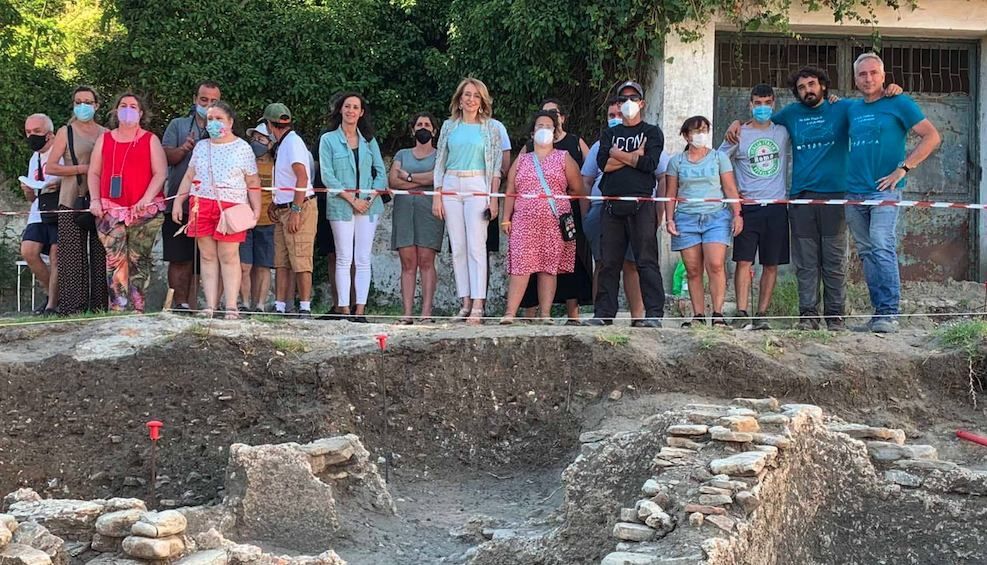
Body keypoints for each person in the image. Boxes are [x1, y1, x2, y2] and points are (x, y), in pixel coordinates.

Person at [725, 68, 902, 331]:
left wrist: (892, 93)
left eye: (812, 84)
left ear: (822, 85)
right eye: (801, 87)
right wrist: (736, 123)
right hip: (800, 199)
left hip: (834, 197)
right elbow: (762, 120)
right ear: (796, 93)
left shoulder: (841, 108)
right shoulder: (790, 115)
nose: (808, 89)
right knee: (806, 262)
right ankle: (807, 316)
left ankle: (835, 317)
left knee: (833, 261)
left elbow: (870, 103)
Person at [845, 52, 940, 334]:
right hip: (853, 192)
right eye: (862, 74)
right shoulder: (851, 108)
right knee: (866, 251)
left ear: (884, 76)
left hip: (885, 191)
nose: (868, 78)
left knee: (881, 243)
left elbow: (932, 136)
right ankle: (878, 315)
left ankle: (889, 313)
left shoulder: (898, 102)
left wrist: (904, 169)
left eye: (874, 73)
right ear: (855, 79)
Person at [172, 101, 261, 319]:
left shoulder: (242, 148)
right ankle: (210, 305)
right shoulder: (202, 147)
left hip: (231, 206)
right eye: (210, 119)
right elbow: (189, 176)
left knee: (229, 256)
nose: (214, 123)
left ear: (230, 122)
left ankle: (231, 305)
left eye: (219, 118)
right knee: (208, 256)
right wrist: (177, 202)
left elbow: (253, 182)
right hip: (201, 203)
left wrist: (256, 210)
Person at [587, 81, 665, 328]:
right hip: (611, 205)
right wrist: (632, 156)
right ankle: (604, 313)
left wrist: (617, 155)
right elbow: (603, 165)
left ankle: (653, 314)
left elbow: (649, 164)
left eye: (633, 98)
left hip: (642, 204)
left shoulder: (652, 132)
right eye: (623, 99)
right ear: (618, 105)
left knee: (646, 261)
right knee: (608, 262)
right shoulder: (609, 133)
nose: (628, 103)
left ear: (642, 102)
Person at [500, 111, 584, 324]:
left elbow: (577, 189)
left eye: (549, 126)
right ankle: (510, 313)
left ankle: (545, 314)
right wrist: (506, 218)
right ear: (532, 132)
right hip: (523, 222)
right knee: (521, 266)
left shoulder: (564, 158)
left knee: (549, 268)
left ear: (555, 132)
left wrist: (557, 201)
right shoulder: (522, 159)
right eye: (540, 126)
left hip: (553, 223)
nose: (544, 129)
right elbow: (511, 189)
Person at [718, 84, 790, 330]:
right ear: (750, 104)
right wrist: (732, 191)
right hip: (748, 207)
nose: (762, 108)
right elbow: (719, 161)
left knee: (771, 264)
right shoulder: (739, 134)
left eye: (767, 103)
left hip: (777, 206)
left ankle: (761, 314)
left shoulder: (782, 132)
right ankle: (741, 312)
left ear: (773, 105)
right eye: (757, 103)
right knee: (744, 261)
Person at [87, 92, 167, 312]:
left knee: (138, 258)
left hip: (145, 211)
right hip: (111, 210)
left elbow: (160, 173)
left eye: (133, 106)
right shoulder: (105, 139)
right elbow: (94, 172)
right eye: (123, 105)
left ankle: (138, 307)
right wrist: (95, 199)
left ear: (141, 113)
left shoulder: (150, 139)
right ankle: (117, 306)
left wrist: (146, 199)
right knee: (114, 259)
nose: (128, 109)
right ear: (115, 110)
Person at [432, 78, 503, 325]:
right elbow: (440, 161)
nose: (471, 99)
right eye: (467, 95)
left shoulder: (491, 128)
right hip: (451, 184)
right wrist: (437, 195)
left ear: (482, 101)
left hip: (477, 185)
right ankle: (464, 302)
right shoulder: (448, 126)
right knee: (458, 247)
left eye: (476, 95)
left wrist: (493, 199)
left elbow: (495, 167)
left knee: (476, 245)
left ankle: (478, 304)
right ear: (459, 99)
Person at [518, 99, 593, 324]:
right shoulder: (529, 148)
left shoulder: (575, 142)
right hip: (532, 217)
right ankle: (530, 313)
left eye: (554, 113)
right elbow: (516, 179)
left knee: (572, 264)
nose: (549, 117)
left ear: (562, 118)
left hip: (566, 216)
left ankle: (573, 314)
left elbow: (586, 177)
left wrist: (585, 215)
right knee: (531, 263)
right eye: (545, 114)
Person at [665, 116, 743, 327]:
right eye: (696, 130)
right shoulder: (676, 162)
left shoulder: (719, 158)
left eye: (704, 130)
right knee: (692, 269)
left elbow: (729, 188)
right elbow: (671, 193)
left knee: (716, 265)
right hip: (686, 219)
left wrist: (737, 214)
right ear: (686, 135)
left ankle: (718, 314)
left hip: (716, 217)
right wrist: (669, 219)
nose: (700, 134)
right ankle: (698, 315)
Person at [319, 92, 387, 324]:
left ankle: (360, 310)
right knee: (343, 257)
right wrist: (352, 199)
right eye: (347, 106)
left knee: (362, 258)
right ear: (340, 110)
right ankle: (344, 309)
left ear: (361, 112)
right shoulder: (328, 139)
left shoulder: (369, 140)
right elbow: (328, 176)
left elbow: (381, 173)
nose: (350, 111)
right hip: (342, 205)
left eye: (355, 107)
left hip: (368, 206)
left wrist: (367, 198)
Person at [46, 86, 109, 315]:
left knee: (101, 254)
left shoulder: (106, 132)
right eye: (78, 101)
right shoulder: (66, 132)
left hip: (100, 199)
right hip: (72, 198)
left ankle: (101, 305)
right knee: (72, 256)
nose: (83, 106)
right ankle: (72, 307)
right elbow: (51, 166)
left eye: (88, 101)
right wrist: (81, 168)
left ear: (96, 105)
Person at [161, 81, 221, 313]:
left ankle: (196, 306)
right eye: (204, 100)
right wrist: (184, 148)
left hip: (211, 205)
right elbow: (166, 155)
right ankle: (178, 304)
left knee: (203, 259)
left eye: (213, 101)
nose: (207, 105)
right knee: (179, 257)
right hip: (180, 204)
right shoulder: (178, 125)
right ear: (195, 99)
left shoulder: (223, 127)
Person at [388, 112, 443, 324]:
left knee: (426, 261)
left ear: (434, 131)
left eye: (427, 124)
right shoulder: (402, 153)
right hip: (404, 211)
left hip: (430, 212)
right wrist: (422, 182)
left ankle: (426, 313)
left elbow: (437, 176)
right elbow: (393, 180)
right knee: (408, 262)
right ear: (413, 130)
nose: (423, 127)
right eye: (419, 124)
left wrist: (408, 177)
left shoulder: (439, 155)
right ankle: (407, 313)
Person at [264, 103, 316, 318]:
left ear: (269, 124)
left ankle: (304, 307)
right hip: (284, 207)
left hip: (299, 207)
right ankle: (281, 306)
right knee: (282, 260)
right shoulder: (286, 143)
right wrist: (276, 201)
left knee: (301, 259)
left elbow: (301, 176)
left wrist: (295, 210)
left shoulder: (292, 143)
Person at [19, 113, 61, 315]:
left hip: (58, 209)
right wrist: (28, 191)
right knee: (28, 251)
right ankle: (52, 292)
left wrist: (59, 183)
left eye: (37, 131)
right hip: (38, 210)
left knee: (56, 255)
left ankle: (53, 305)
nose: (32, 136)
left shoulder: (60, 151)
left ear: (49, 134)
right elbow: (32, 197)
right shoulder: (33, 157)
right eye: (28, 132)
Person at [238, 123, 276, 313]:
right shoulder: (244, 162)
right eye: (254, 138)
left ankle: (260, 305)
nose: (256, 143)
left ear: (270, 143)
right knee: (244, 265)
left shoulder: (277, 165)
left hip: (268, 221)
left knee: (263, 265)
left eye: (261, 139)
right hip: (245, 220)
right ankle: (244, 303)